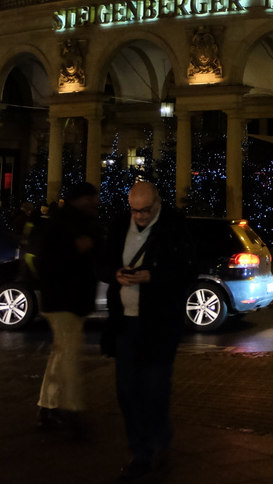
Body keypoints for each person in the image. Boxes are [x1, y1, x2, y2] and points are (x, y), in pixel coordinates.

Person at [102, 181, 194, 482]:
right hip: (125, 322)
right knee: (126, 390)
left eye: (145, 210)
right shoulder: (118, 224)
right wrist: (114, 274)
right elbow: (103, 262)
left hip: (158, 323)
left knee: (155, 388)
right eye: (134, 210)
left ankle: (158, 446)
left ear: (157, 203)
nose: (139, 216)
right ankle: (140, 452)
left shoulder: (174, 226)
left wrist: (151, 276)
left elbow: (186, 271)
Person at [36, 181, 101, 433]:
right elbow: (49, 264)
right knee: (69, 358)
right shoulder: (66, 226)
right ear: (81, 199)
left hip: (65, 300)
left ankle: (48, 407)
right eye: (91, 199)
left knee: (61, 355)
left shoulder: (66, 222)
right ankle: (71, 411)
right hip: (66, 301)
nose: (95, 203)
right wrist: (77, 250)